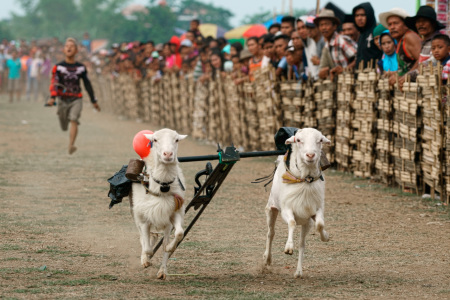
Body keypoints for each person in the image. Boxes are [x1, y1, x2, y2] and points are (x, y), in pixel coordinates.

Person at [46, 38, 100, 155]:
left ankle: (71, 145)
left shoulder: (81, 67)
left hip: (77, 98)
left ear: (76, 51)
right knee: (64, 124)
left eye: (72, 46)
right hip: (62, 99)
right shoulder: (58, 67)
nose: (69, 48)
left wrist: (93, 100)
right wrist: (52, 98)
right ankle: (64, 122)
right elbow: (54, 83)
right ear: (63, 50)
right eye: (67, 46)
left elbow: (87, 84)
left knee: (74, 119)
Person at [379, 8, 421, 87]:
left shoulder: (409, 37)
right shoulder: (400, 41)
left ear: (405, 25)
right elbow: (407, 66)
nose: (392, 27)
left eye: (395, 23)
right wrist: (396, 74)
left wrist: (406, 76)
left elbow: (422, 61)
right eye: (390, 24)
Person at [316, 9, 357, 79]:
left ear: (334, 26)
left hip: (350, 79)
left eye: (326, 24)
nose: (323, 28)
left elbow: (358, 58)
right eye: (321, 25)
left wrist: (345, 69)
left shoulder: (341, 40)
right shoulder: (327, 45)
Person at [352, 2, 382, 68]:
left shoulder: (376, 32)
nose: (359, 18)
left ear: (369, 15)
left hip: (375, 75)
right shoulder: (361, 34)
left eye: (363, 15)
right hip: (361, 75)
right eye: (357, 15)